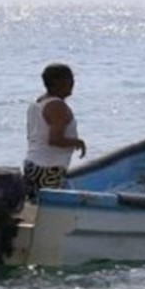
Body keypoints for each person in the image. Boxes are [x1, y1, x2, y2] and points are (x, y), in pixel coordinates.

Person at [23, 63, 87, 199]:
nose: (73, 83)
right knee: (51, 205)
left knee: (36, 202)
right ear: (59, 82)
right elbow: (54, 139)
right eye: (70, 79)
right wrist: (77, 142)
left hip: (32, 163)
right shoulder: (57, 107)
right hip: (49, 168)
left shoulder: (38, 102)